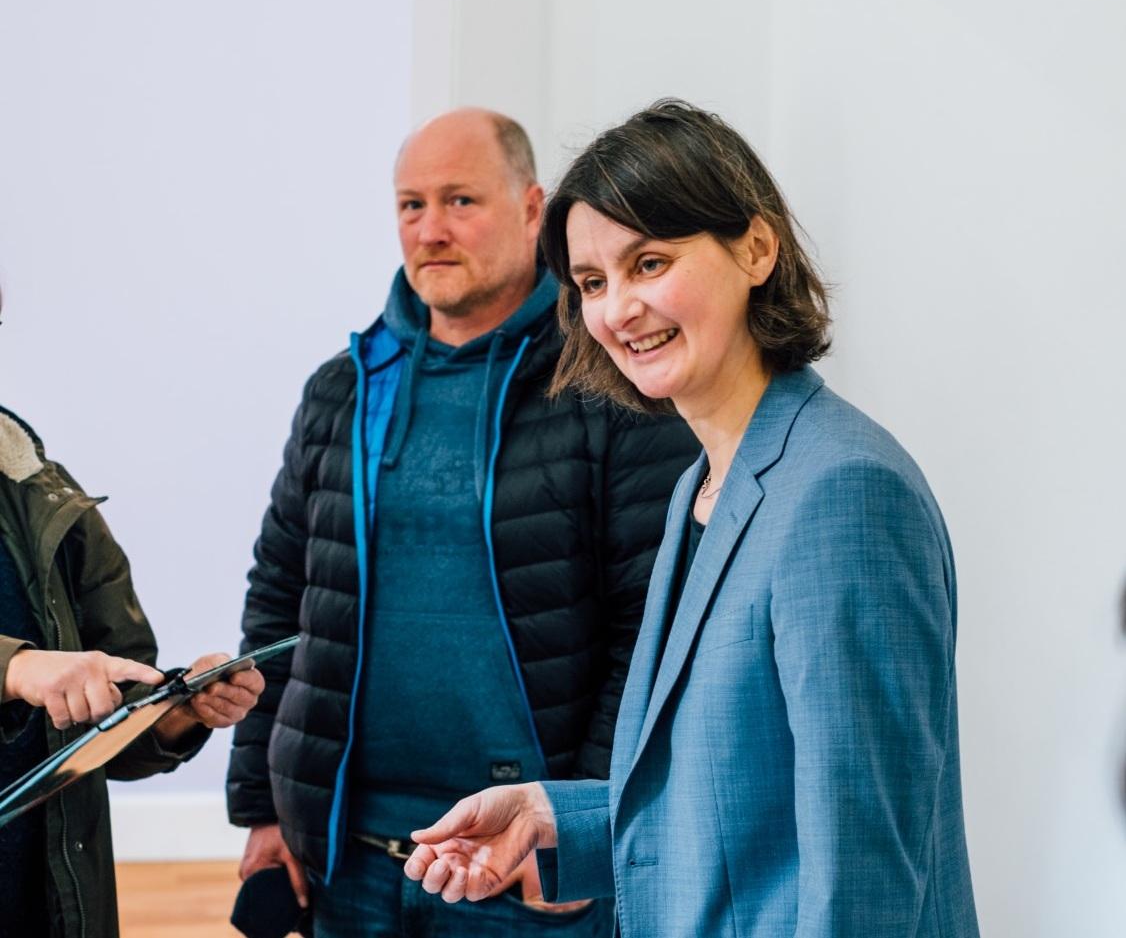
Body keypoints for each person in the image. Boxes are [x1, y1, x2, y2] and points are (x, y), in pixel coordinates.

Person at [402, 100, 981, 938]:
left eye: (649, 263)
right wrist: (549, 814)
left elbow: (864, 866)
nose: (617, 310)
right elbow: (734, 795)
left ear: (756, 249)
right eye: (592, 283)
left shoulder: (844, 490)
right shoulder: (699, 486)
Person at [226, 108, 697, 937]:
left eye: (460, 201)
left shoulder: (612, 389)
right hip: (348, 860)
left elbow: (651, 628)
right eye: (411, 205)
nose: (431, 229)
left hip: (519, 868)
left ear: (531, 209)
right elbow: (279, 600)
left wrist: (580, 828)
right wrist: (263, 803)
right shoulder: (343, 389)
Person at [0, 289, 266, 938]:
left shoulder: (41, 491)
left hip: (48, 904)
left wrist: (180, 708)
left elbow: (113, 715)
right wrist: (15, 668)